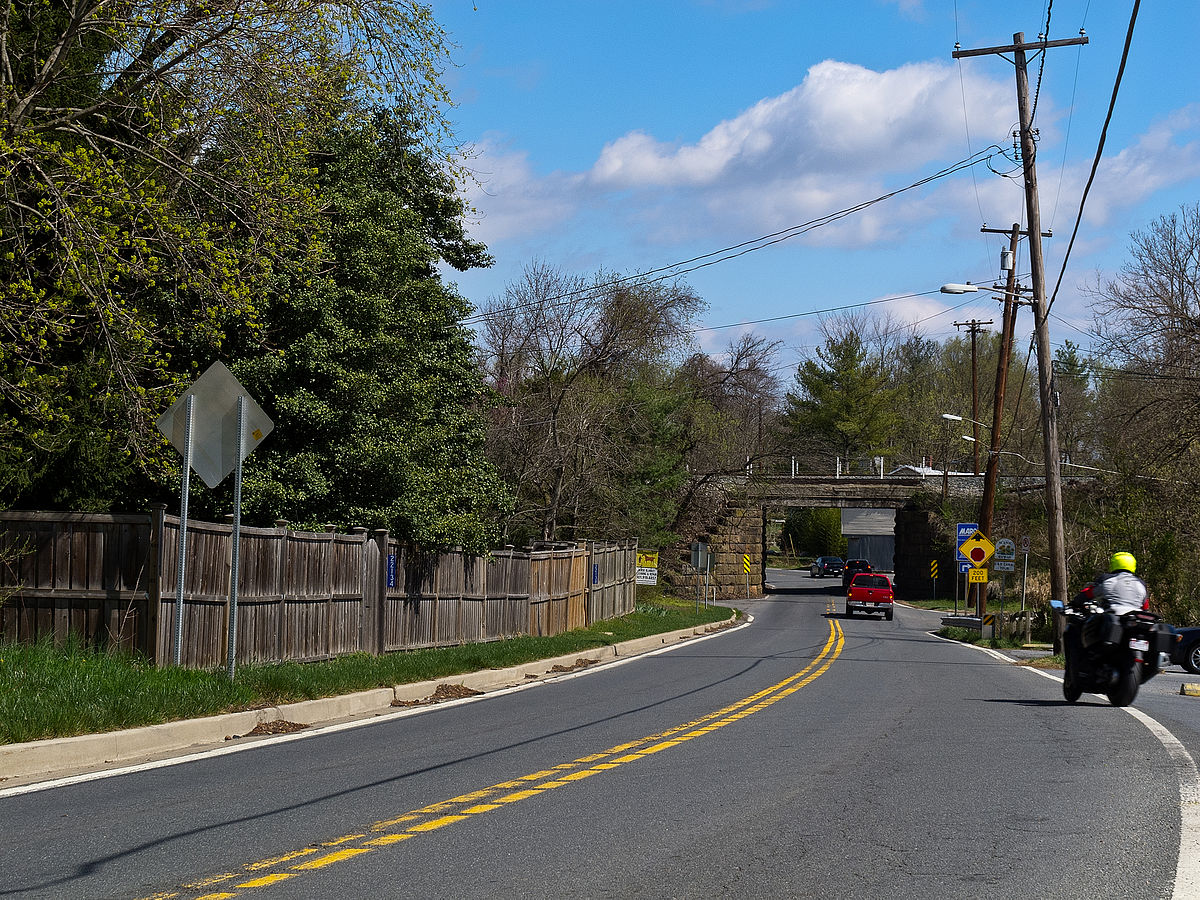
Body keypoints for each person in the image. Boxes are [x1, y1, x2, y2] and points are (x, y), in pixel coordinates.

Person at [1091, 550, 1148, 614]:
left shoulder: (1106, 579)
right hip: (1136, 618)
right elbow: (1145, 607)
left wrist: (1078, 601)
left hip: (1113, 617)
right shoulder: (1141, 583)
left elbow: (1088, 593)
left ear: (1113, 563)